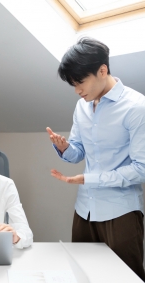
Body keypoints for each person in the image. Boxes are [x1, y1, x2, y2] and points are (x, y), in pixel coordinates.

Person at [47, 37, 145, 280]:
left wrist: (90, 179)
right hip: (84, 210)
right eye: (73, 84)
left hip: (121, 211)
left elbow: (141, 169)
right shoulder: (82, 106)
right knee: (82, 275)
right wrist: (65, 148)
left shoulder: (136, 107)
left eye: (80, 82)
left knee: (125, 278)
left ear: (103, 70)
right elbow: (79, 151)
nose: (77, 90)